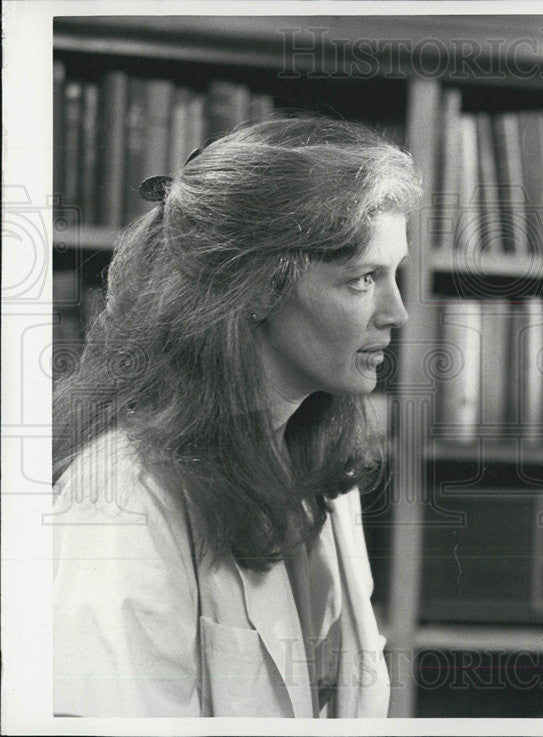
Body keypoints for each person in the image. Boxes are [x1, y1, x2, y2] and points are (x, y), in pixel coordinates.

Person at [52, 117, 421, 717]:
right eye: (363, 279)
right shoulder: (120, 496)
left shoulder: (323, 476)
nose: (398, 312)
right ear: (255, 289)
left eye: (394, 275)